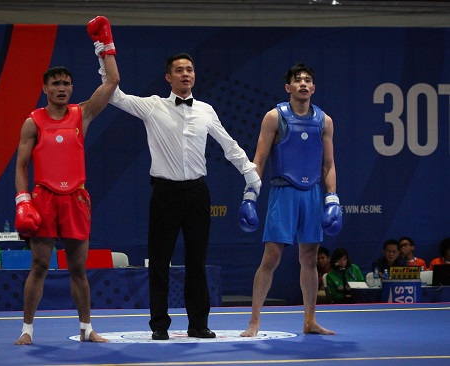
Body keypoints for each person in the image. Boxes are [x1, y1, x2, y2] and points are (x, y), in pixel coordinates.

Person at [99, 51, 261, 340]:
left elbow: (229, 144)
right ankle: (159, 325)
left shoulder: (206, 110)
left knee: (197, 262)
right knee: (159, 262)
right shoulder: (152, 106)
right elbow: (115, 96)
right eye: (179, 70)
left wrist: (250, 173)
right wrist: (105, 54)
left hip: (197, 193)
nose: (185, 74)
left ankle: (198, 324)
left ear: (194, 75)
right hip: (165, 193)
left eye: (189, 69)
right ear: (168, 77)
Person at [13, 16, 119, 345]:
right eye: (55, 83)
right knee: (40, 265)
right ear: (45, 88)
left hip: (76, 199)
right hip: (44, 199)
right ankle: (27, 330)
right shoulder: (33, 122)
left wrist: (105, 44)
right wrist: (23, 201)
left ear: (72, 88)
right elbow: (20, 167)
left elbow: (112, 82)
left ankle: (87, 328)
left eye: (66, 84)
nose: (61, 88)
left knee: (78, 268)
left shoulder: (81, 114)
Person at [241, 63, 341, 337]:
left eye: (308, 80)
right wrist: (250, 194)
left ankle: (310, 320)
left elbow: (328, 164)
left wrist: (332, 198)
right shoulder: (274, 117)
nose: (304, 84)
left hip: (312, 195)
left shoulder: (324, 120)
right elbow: (258, 160)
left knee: (309, 258)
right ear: (288, 87)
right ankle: (254, 320)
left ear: (314, 87)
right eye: (298, 80)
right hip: (283, 192)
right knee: (271, 257)